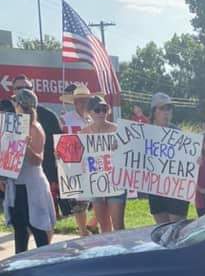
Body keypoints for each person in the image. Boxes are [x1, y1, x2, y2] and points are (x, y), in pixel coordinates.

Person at [3, 89, 56, 253]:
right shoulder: (13, 126)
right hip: (16, 183)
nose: (14, 106)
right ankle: (20, 263)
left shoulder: (35, 128)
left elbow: (38, 160)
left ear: (20, 105)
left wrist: (24, 146)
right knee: (20, 229)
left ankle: (45, 261)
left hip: (31, 185)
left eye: (16, 103)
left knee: (38, 227)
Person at [80, 95, 125, 233]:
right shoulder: (83, 134)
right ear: (89, 112)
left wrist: (120, 147)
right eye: (97, 110)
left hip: (115, 182)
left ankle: (121, 247)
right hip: (95, 182)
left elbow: (128, 154)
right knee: (104, 226)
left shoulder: (117, 130)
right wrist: (61, 156)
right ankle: (108, 246)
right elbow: (78, 159)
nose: (101, 113)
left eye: (104, 109)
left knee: (118, 225)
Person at [147, 92, 190, 224]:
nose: (166, 112)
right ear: (154, 111)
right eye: (162, 108)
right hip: (155, 187)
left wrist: (196, 160)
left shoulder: (178, 133)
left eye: (169, 108)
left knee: (176, 227)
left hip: (176, 187)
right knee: (162, 228)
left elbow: (188, 158)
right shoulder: (142, 133)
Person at [58, 83, 91, 235]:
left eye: (85, 100)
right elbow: (59, 140)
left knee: (99, 200)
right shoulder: (65, 119)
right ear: (74, 102)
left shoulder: (94, 117)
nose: (83, 103)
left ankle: (90, 226)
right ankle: (83, 231)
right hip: (74, 165)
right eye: (80, 100)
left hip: (91, 165)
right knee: (79, 201)